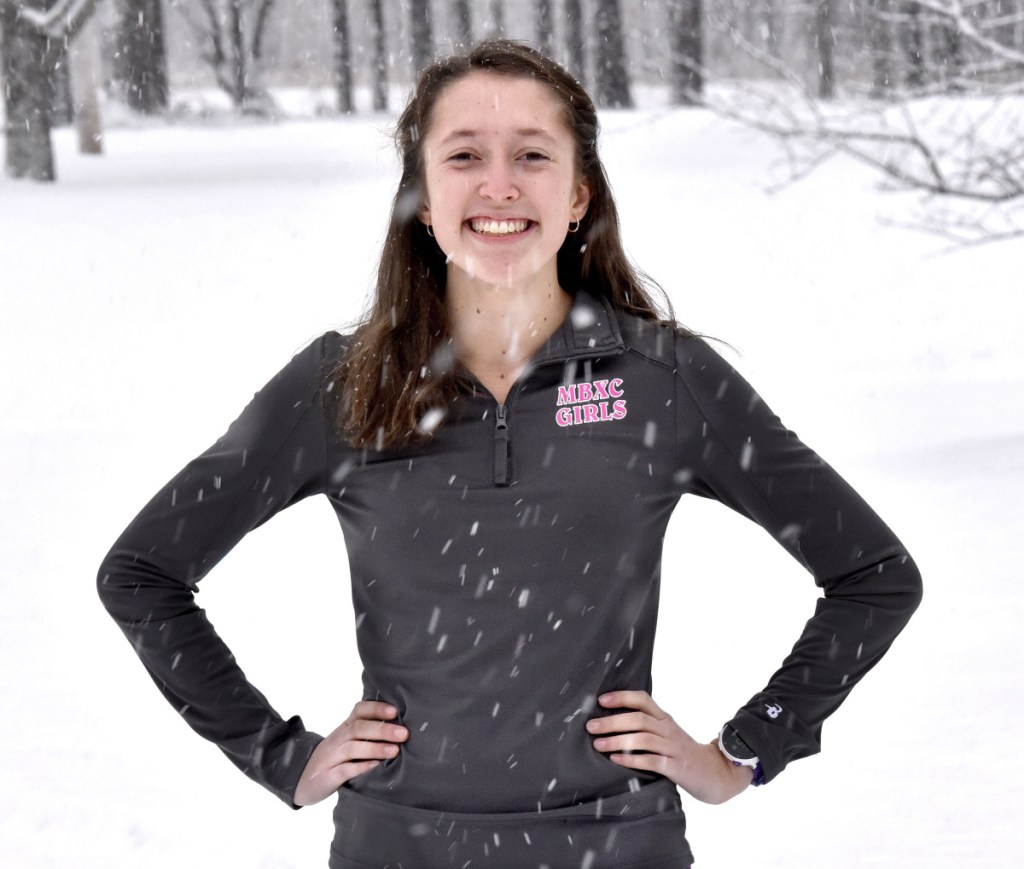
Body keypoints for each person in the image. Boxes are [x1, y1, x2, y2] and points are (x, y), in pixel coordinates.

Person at [98, 39, 922, 869]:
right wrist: (278, 755)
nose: (499, 185)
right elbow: (141, 573)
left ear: (578, 195)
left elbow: (874, 575)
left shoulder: (664, 379)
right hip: (397, 846)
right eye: (464, 156)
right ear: (422, 198)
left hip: (617, 843)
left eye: (532, 154)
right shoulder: (343, 384)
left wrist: (742, 751)